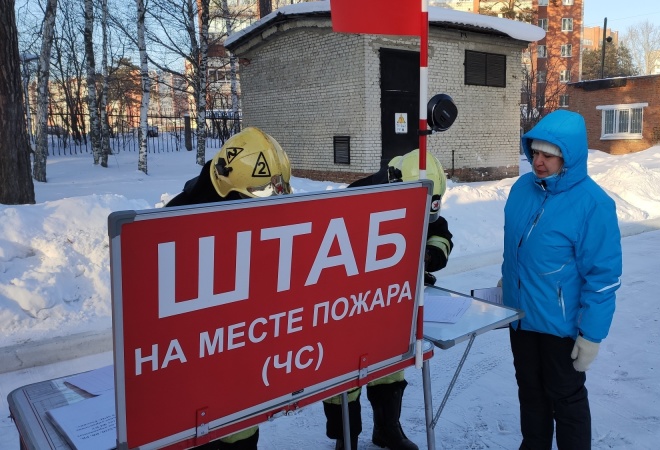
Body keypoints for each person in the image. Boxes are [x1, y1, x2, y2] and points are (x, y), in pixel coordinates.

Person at [165, 126, 294, 449]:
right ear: (228, 183)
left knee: (241, 427)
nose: (272, 203)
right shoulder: (176, 223)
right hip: (196, 370)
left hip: (242, 365)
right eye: (263, 192)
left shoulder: (252, 207)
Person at [501, 110, 622, 450]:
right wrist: (507, 282)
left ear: (568, 156)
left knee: (566, 401)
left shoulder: (593, 204)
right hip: (521, 319)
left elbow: (603, 278)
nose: (538, 162)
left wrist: (591, 336)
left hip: (561, 327)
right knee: (530, 392)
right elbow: (517, 248)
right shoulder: (522, 189)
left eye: (548, 155)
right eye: (535, 152)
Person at [322, 149, 454, 450]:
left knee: (391, 364)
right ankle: (347, 437)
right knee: (345, 373)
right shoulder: (356, 198)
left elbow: (439, 231)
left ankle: (387, 429)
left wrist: (431, 254)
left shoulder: (421, 193)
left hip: (393, 304)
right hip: (351, 306)